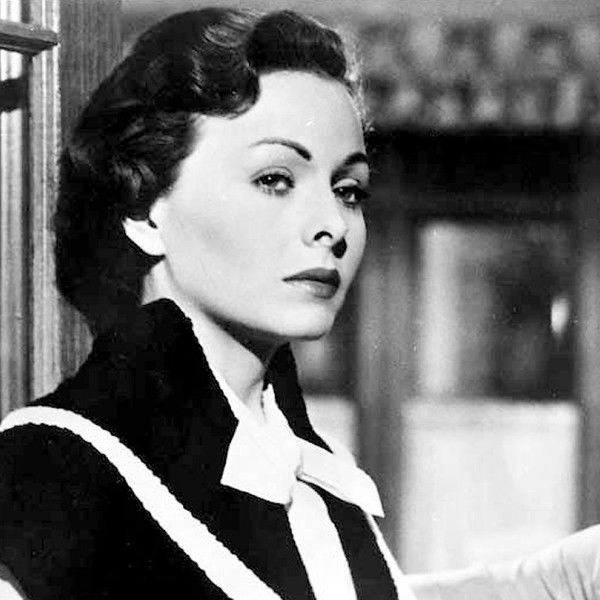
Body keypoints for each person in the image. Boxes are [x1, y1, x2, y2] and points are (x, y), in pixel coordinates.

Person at [0, 7, 417, 600]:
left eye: (348, 190)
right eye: (275, 179)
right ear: (145, 209)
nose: (332, 224)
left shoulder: (325, 477)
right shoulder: (55, 464)